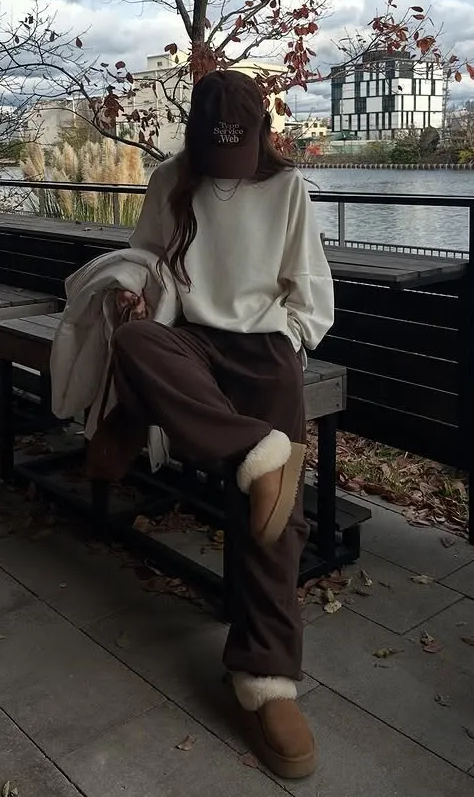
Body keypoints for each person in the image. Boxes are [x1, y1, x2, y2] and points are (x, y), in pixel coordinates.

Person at [106, 68, 334, 779]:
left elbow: (311, 293)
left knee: (275, 518)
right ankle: (260, 449)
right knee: (135, 343)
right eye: (215, 151)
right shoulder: (171, 179)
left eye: (239, 149)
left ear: (262, 135)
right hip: (192, 343)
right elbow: (146, 259)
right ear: (195, 138)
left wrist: (288, 341)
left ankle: (266, 678)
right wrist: (132, 293)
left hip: (265, 352)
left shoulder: (287, 187)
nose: (226, 166)